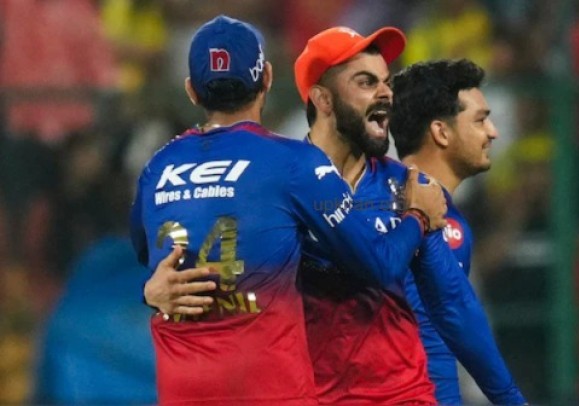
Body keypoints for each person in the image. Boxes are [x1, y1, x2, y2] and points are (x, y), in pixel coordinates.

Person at [131, 15, 447, 405]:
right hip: (272, 391)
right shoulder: (296, 163)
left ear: (192, 91)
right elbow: (380, 265)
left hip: (183, 392)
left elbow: (149, 258)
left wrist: (149, 292)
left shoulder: (157, 168)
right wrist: (418, 216)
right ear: (266, 78)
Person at [391, 59, 527, 405]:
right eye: (480, 120)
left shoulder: (448, 219)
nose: (492, 132)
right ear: (441, 132)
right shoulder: (412, 215)